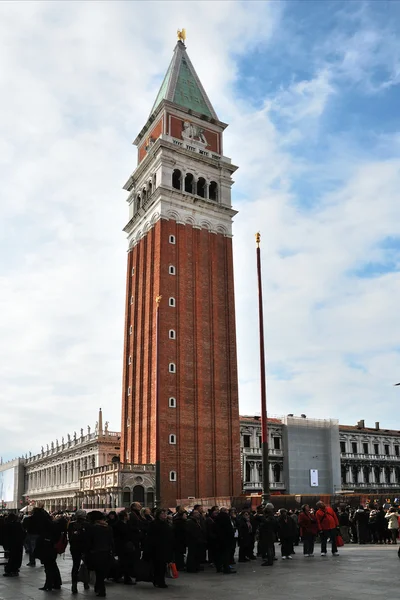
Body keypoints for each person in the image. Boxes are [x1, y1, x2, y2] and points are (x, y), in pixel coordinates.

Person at [86, 511, 114, 597]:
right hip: (106, 552)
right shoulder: (108, 528)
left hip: (96, 552)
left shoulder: (92, 528)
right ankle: (99, 588)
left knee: (98, 572)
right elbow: (111, 541)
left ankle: (101, 589)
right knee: (101, 572)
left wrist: (87, 551)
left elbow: (89, 542)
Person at [145, 508, 173, 588]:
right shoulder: (154, 524)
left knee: (162, 565)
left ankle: (159, 580)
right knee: (158, 565)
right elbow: (150, 537)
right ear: (158, 515)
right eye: (162, 513)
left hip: (165, 547)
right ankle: (159, 581)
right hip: (157, 548)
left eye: (165, 513)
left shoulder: (166, 523)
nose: (164, 515)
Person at [35, 515, 65, 591]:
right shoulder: (54, 526)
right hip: (52, 549)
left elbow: (42, 539)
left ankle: (48, 584)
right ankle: (56, 583)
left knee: (48, 567)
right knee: (53, 566)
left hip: (47, 549)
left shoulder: (45, 528)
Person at [68, 509, 90, 594]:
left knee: (75, 566)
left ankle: (74, 585)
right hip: (85, 548)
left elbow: (70, 537)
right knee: (86, 565)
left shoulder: (71, 524)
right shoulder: (88, 525)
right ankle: (86, 583)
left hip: (75, 548)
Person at [113, 511, 135, 585]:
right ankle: (126, 578)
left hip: (126, 546)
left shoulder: (126, 524)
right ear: (125, 516)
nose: (129, 516)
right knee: (124, 562)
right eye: (127, 515)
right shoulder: (119, 525)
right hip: (122, 546)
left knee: (123, 562)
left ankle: (120, 576)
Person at [214, 508, 236, 574]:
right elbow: (229, 528)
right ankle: (226, 568)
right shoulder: (226, 517)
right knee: (226, 554)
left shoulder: (217, 517)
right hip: (226, 539)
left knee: (219, 554)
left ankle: (219, 568)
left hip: (219, 539)